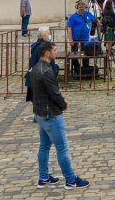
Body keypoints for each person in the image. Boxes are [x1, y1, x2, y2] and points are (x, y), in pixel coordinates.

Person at [29, 42, 89, 189]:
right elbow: (54, 93)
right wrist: (64, 103)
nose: (56, 52)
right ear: (46, 53)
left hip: (40, 113)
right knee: (62, 148)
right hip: (50, 114)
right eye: (54, 50)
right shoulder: (46, 71)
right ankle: (70, 179)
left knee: (44, 146)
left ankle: (43, 177)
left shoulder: (36, 68)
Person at [26, 27, 54, 102]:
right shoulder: (42, 47)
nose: (49, 35)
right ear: (43, 36)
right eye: (48, 33)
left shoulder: (40, 45)